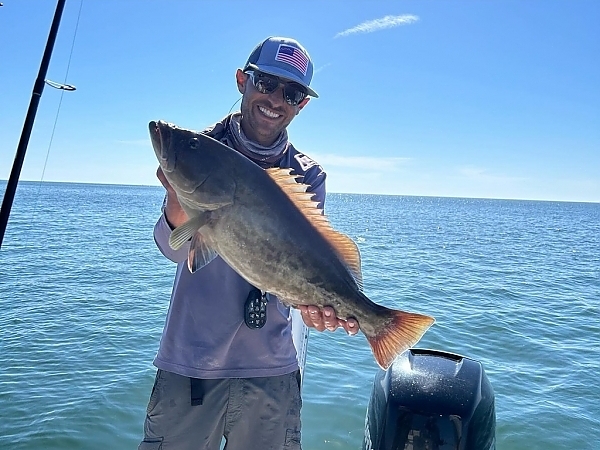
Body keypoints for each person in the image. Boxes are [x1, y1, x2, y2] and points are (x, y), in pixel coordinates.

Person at [140, 36, 359, 450]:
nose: (275, 99)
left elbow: (306, 263)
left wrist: (317, 309)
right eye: (265, 83)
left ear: (302, 104)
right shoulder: (202, 150)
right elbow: (173, 250)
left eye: (291, 92)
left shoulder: (307, 175)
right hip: (191, 362)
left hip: (271, 368)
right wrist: (177, 202)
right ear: (242, 80)